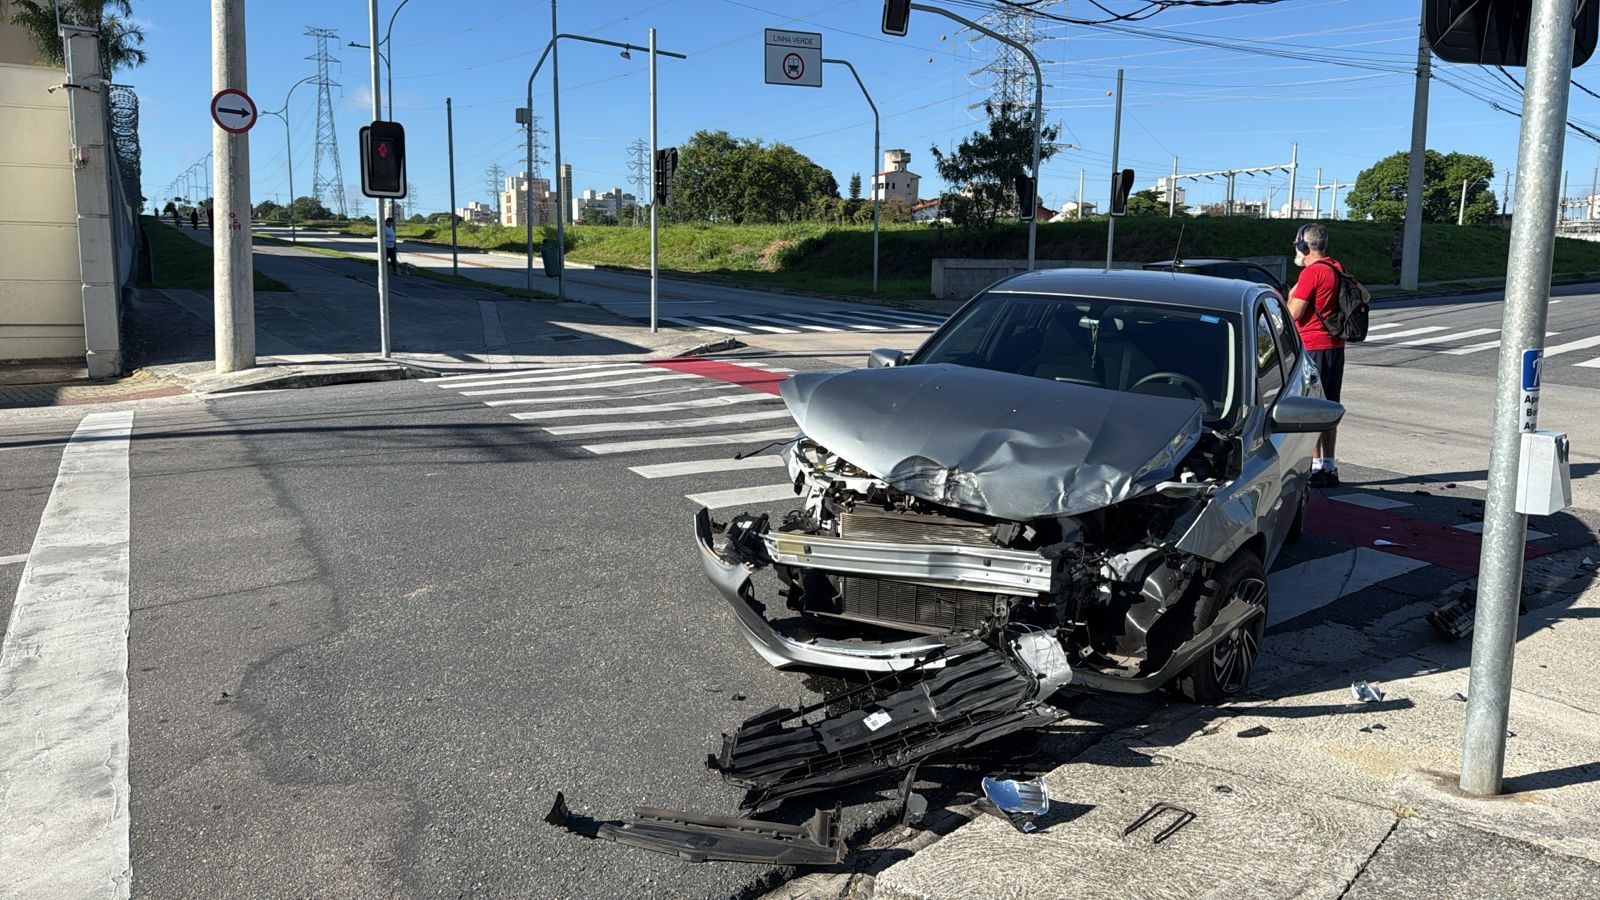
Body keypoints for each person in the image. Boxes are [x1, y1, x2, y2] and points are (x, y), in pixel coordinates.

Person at [1286, 222, 1366, 487]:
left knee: (1310, 409)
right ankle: (1328, 466)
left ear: (1303, 245)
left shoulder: (1311, 274)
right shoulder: (1337, 267)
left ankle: (1310, 468)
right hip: (1335, 347)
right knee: (1329, 406)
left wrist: (1290, 295)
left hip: (1312, 346)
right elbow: (1365, 295)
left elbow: (1294, 314)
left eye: (1296, 242)